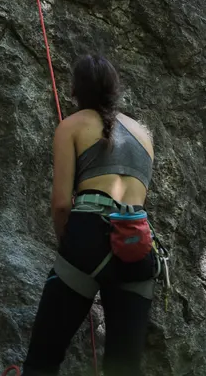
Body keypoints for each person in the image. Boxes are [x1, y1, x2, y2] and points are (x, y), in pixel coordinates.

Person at [21, 55, 157, 376]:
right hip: (137, 244)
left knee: (43, 357)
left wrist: (68, 244)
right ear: (114, 88)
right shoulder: (143, 136)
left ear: (76, 90)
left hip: (87, 240)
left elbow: (61, 204)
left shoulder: (72, 125)